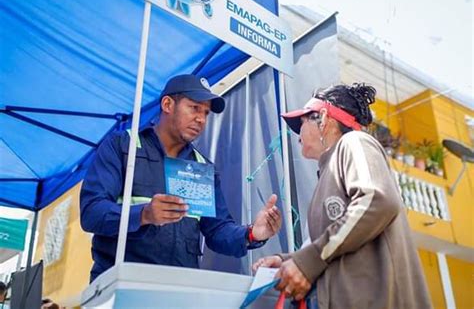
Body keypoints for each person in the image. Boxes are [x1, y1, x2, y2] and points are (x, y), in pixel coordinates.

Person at [81, 74, 282, 282]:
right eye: (194, 108)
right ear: (167, 104)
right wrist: (144, 214)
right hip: (119, 284)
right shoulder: (123, 146)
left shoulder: (202, 167)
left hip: (178, 290)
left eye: (206, 113)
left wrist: (253, 234)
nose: (201, 119)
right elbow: (91, 212)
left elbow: (217, 230)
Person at [253, 83, 432, 308]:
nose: (297, 133)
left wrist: (308, 261)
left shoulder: (355, 142)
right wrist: (286, 261)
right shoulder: (328, 172)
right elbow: (331, 243)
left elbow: (376, 200)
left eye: (303, 121)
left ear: (324, 118)